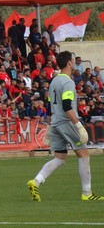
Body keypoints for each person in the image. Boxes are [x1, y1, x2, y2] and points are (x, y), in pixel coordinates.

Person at [28, 51, 102, 202]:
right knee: (83, 154)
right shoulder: (67, 82)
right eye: (73, 61)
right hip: (66, 122)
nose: (74, 63)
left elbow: (50, 105)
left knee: (60, 157)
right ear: (69, 63)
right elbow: (68, 106)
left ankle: (35, 181)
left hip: (56, 122)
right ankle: (87, 193)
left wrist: (50, 125)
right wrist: (79, 125)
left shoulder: (54, 81)